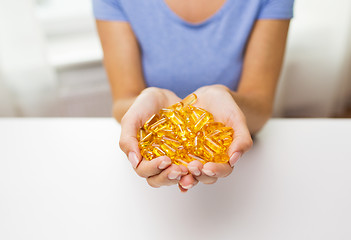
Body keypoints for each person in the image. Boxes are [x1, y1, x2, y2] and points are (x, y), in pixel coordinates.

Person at [93, 0, 294, 192]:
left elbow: (260, 107)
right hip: (143, 191)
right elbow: (123, 100)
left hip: (249, 175)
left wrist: (224, 97)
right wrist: (147, 99)